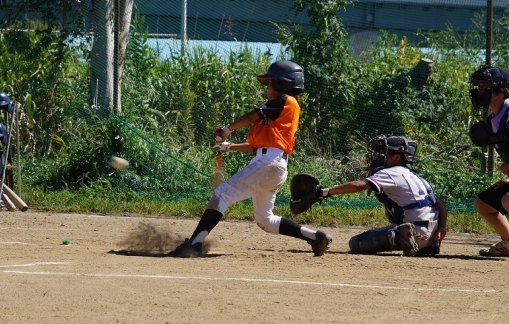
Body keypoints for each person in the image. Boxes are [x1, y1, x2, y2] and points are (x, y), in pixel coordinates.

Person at [169, 60, 332, 258]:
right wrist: (229, 147)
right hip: (271, 165)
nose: (267, 88)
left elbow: (252, 116)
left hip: (268, 165)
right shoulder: (278, 113)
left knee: (221, 196)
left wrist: (228, 129)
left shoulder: (286, 101)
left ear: (283, 83)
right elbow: (258, 147)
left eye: (270, 83)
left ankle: (194, 244)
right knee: (266, 221)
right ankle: (315, 237)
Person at [293, 135, 447, 256]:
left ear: (397, 157)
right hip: (433, 235)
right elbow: (440, 202)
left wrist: (325, 192)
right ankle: (416, 240)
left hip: (416, 230)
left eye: (384, 152)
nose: (379, 156)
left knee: (355, 243)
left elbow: (359, 185)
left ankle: (401, 235)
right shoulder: (417, 178)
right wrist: (441, 227)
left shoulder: (390, 172)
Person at [468, 65, 509, 256]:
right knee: (483, 203)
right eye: (478, 86)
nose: (479, 91)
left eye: (485, 86)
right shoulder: (494, 117)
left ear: (500, 89)